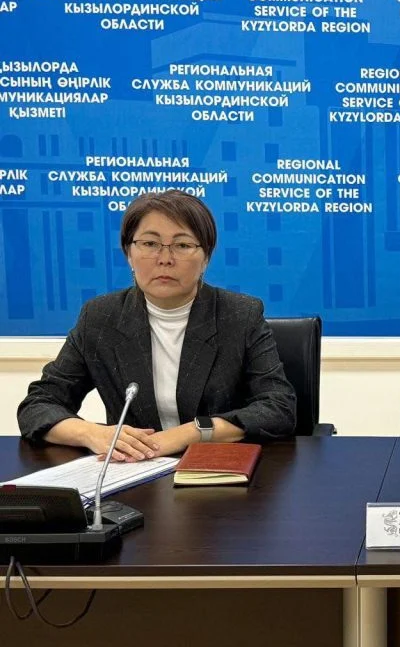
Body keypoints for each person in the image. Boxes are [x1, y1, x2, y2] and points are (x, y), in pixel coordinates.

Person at [18, 190, 296, 460]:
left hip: (215, 469)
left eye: (182, 245)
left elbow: (278, 407)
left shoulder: (239, 315)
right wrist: (93, 433)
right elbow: (39, 404)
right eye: (150, 244)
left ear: (206, 258)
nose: (165, 259)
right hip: (132, 471)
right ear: (129, 253)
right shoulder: (101, 318)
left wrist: (191, 433)